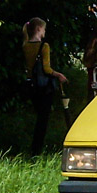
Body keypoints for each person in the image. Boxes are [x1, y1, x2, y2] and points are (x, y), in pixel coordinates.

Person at [23, 17, 67, 154]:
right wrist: (58, 75)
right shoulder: (44, 46)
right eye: (44, 29)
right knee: (43, 118)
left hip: (31, 85)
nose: (44, 32)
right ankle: (37, 148)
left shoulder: (25, 46)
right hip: (44, 86)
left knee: (38, 116)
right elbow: (46, 69)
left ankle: (34, 147)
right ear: (38, 29)